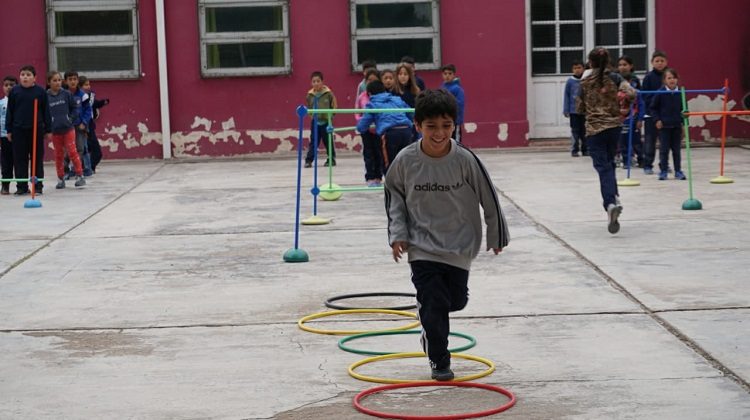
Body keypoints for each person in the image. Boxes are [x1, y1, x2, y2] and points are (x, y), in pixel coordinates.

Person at [384, 89, 509, 381]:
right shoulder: (405, 161)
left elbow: (489, 196)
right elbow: (394, 198)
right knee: (435, 303)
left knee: (455, 301)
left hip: (460, 244)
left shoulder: (465, 159)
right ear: (418, 126)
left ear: (454, 125)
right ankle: (439, 359)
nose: (439, 133)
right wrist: (398, 235)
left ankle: (429, 314)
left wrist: (496, 235)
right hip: (422, 245)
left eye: (446, 126)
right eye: (431, 127)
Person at [576, 48, 635, 234]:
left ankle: (609, 203)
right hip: (614, 128)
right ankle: (615, 198)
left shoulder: (584, 82)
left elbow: (579, 107)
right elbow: (632, 93)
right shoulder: (616, 78)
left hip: (595, 130)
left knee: (603, 168)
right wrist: (622, 105)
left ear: (590, 62)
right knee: (610, 165)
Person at [4, 65, 51, 195]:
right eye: (23, 75)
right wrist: (9, 129)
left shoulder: (40, 92)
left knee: (36, 158)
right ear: (20, 77)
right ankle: (22, 186)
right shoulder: (15, 91)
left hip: (36, 129)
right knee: (20, 159)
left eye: (28, 75)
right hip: (18, 129)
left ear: (34, 78)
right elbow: (10, 111)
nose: (25, 77)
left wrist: (48, 129)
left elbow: (46, 111)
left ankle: (38, 185)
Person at [355, 80, 412, 174]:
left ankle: (392, 186)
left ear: (369, 94)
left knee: (389, 163)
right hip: (406, 131)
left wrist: (361, 128)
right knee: (405, 160)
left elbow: (362, 125)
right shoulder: (397, 99)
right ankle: (406, 184)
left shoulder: (372, 105)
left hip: (390, 134)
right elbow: (411, 112)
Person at [47, 71, 85, 189]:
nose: (57, 82)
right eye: (54, 80)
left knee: (73, 152)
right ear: (49, 83)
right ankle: (60, 178)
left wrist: (70, 118)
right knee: (58, 155)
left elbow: (75, 108)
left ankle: (80, 175)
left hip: (68, 129)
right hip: (55, 131)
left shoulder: (67, 94)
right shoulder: (45, 96)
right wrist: (46, 129)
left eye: (59, 80)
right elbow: (43, 114)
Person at [650, 68, 686, 181]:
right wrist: (657, 120)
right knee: (664, 150)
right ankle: (663, 171)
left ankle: (678, 171)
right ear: (664, 80)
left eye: (674, 78)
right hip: (664, 127)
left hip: (676, 126)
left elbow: (684, 110)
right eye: (669, 78)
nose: (672, 80)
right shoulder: (660, 92)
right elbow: (653, 108)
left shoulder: (681, 93)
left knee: (677, 151)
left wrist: (684, 125)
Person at [355, 69, 384, 186]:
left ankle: (378, 176)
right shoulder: (362, 97)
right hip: (366, 130)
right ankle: (370, 177)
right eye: (369, 80)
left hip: (379, 130)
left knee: (379, 153)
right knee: (368, 153)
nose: (371, 83)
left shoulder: (382, 97)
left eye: (374, 80)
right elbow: (357, 112)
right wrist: (361, 123)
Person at [641, 51, 668, 175]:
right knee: (649, 141)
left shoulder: (669, 76)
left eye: (662, 61)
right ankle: (647, 165)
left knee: (665, 142)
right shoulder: (648, 77)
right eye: (657, 61)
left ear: (666, 62)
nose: (660, 63)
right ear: (652, 63)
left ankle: (664, 165)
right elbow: (644, 96)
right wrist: (656, 99)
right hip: (651, 114)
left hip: (666, 114)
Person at [616, 55, 645, 169]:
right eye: (620, 65)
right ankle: (626, 161)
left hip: (634, 117)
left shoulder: (635, 83)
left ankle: (641, 160)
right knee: (622, 140)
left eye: (625, 65)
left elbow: (640, 102)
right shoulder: (615, 81)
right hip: (621, 118)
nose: (622, 67)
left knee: (636, 141)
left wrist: (640, 118)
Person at [304, 71, 337, 168]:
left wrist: (330, 116)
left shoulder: (328, 94)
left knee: (328, 141)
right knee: (314, 141)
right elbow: (309, 107)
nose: (316, 83)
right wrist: (312, 116)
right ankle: (309, 160)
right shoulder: (310, 95)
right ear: (311, 83)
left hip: (327, 122)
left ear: (322, 82)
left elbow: (334, 106)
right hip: (315, 122)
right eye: (314, 81)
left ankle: (331, 159)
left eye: (318, 81)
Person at [64, 71, 93, 178]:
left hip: (79, 126)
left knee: (80, 149)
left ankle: (77, 170)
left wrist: (84, 122)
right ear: (66, 81)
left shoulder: (83, 96)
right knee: (67, 150)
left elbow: (88, 111)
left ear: (77, 80)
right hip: (67, 127)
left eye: (74, 79)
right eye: (70, 79)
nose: (72, 81)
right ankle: (66, 171)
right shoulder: (63, 94)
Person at [82, 77, 109, 173]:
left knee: (91, 149)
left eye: (88, 84)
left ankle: (89, 166)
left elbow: (95, 104)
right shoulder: (77, 98)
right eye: (85, 84)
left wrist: (103, 102)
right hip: (82, 126)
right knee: (91, 149)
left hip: (90, 126)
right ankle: (87, 167)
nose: (88, 86)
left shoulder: (90, 97)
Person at [563, 59, 587, 157]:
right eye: (574, 68)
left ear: (583, 68)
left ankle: (585, 149)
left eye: (579, 68)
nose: (577, 70)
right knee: (575, 130)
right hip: (574, 111)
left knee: (585, 131)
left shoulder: (586, 80)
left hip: (585, 111)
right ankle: (574, 149)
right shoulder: (570, 81)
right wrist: (566, 109)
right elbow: (566, 96)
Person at [440, 64, 465, 143]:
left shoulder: (457, 89)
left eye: (450, 74)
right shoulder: (442, 87)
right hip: (444, 119)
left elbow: (459, 104)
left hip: (455, 121)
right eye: (445, 73)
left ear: (454, 75)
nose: (447, 76)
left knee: (456, 142)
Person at [1, 75, 17, 195]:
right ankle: (5, 186)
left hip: (18, 136)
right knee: (6, 162)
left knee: (19, 161)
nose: (9, 87)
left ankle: (22, 185)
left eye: (12, 85)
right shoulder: (1, 103)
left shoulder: (19, 101)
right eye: (6, 85)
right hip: (4, 137)